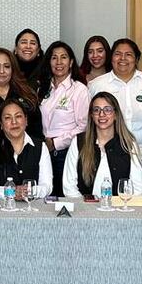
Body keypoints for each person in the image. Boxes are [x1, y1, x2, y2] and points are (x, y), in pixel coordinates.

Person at [87, 38, 142, 195]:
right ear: (111, 57)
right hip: (111, 155)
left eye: (128, 54)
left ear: (136, 59)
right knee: (116, 199)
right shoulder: (97, 85)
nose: (123, 58)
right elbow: (88, 121)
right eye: (117, 54)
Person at [62, 92, 142, 198]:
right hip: (85, 209)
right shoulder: (78, 142)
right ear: (91, 115)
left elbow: (138, 190)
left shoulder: (128, 144)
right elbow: (69, 187)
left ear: (116, 114)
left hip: (119, 210)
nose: (102, 114)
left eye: (107, 110)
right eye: (96, 110)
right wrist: (86, 209)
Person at [36, 41, 89, 196]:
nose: (59, 62)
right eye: (54, 58)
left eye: (64, 57)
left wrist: (56, 143)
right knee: (45, 196)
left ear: (71, 62)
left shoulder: (79, 89)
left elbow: (84, 126)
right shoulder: (44, 88)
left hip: (66, 152)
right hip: (44, 150)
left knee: (62, 197)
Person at [0, 99, 53, 200]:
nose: (14, 122)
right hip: (0, 211)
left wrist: (27, 192)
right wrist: (11, 192)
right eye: (8, 118)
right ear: (1, 124)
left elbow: (47, 186)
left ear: (26, 120)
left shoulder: (41, 147)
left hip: (33, 209)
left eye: (18, 116)